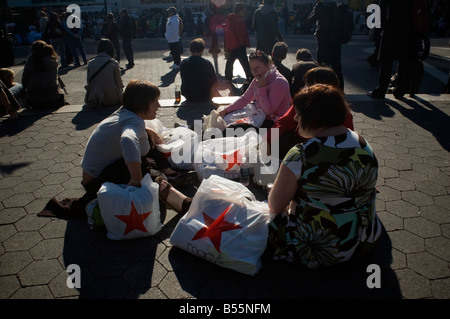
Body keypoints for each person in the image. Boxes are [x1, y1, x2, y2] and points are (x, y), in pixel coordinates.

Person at [267, 83, 381, 269]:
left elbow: (275, 205)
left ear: (314, 117)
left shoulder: (301, 154)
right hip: (364, 238)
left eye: (298, 114)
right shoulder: (363, 144)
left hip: (319, 248)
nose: (295, 118)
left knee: (265, 215)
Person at [80, 80, 192, 215]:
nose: (159, 105)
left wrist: (149, 130)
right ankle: (182, 202)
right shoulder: (132, 121)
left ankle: (166, 174)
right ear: (141, 102)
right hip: (97, 182)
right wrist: (136, 179)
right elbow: (128, 139)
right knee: (146, 170)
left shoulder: (125, 113)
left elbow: (126, 130)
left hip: (97, 176)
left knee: (147, 149)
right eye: (155, 101)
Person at [265, 66, 354, 160]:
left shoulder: (343, 115)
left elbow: (344, 145)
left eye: (309, 85)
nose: (304, 88)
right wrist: (267, 140)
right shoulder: (304, 103)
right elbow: (284, 122)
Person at [219, 50, 291, 128]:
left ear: (268, 65)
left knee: (232, 129)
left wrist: (262, 87)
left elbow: (269, 111)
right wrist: (226, 110)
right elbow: (245, 99)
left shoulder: (279, 82)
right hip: (259, 117)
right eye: (252, 69)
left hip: (274, 124)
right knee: (226, 120)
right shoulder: (258, 79)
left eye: (258, 67)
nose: (255, 72)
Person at [367, 0, 415, 99]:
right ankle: (400, 90)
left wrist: (380, 29)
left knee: (385, 61)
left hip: (391, 28)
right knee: (404, 61)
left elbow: (381, 9)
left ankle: (381, 89)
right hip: (408, 29)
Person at [307, 0, 345, 90]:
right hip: (336, 42)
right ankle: (340, 90)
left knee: (322, 67)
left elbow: (309, 20)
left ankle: (322, 89)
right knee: (337, 68)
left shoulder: (321, 6)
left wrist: (316, 8)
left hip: (324, 41)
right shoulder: (339, 7)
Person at [21, 40, 66, 109]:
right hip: (54, 98)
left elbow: (25, 79)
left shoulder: (31, 61)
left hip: (34, 100)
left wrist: (24, 89)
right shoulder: (53, 60)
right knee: (55, 80)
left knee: (18, 87)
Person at [84, 38, 123, 109]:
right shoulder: (114, 63)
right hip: (112, 98)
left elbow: (89, 82)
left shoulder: (91, 63)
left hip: (94, 98)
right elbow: (119, 83)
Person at [180, 38, 218, 104]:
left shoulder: (183, 63)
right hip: (205, 95)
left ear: (190, 50)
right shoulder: (206, 63)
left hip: (188, 95)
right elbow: (215, 81)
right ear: (202, 51)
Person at [224, 2, 252, 83]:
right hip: (239, 44)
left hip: (232, 45)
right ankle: (249, 75)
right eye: (243, 10)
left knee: (230, 61)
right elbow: (243, 33)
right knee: (244, 62)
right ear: (240, 11)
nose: (244, 12)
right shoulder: (240, 20)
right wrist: (246, 42)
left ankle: (228, 76)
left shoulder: (230, 18)